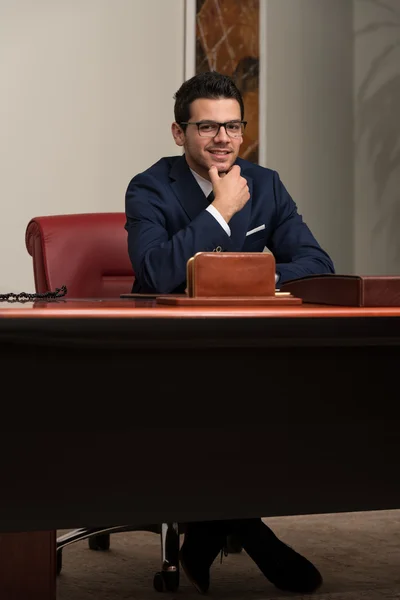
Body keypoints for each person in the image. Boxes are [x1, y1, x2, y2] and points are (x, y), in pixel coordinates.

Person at [124, 71, 332, 594]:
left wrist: (253, 275)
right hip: (166, 352)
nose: (223, 139)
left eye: (233, 126)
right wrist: (220, 212)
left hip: (245, 346)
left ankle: (213, 526)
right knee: (223, 403)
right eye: (207, 127)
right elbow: (154, 273)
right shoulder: (150, 186)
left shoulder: (266, 184)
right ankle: (250, 530)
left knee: (289, 396)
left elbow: (316, 263)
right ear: (179, 133)